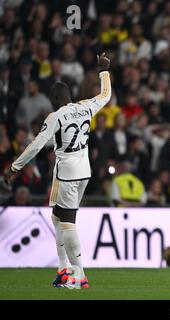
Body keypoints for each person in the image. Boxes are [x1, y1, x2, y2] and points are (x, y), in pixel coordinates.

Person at [4, 53, 112, 290]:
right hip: (84, 170)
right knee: (56, 217)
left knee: (67, 222)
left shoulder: (55, 117)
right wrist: (103, 70)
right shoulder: (85, 107)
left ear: (53, 99)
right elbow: (105, 95)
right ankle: (64, 269)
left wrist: (14, 167)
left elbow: (36, 144)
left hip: (67, 173)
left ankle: (79, 274)